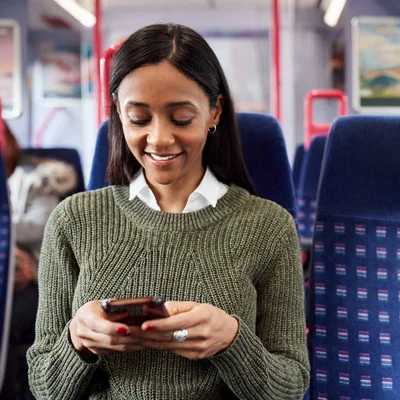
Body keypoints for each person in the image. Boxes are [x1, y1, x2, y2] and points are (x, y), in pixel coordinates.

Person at [27, 23, 309, 399]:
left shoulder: (269, 227)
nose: (159, 138)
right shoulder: (72, 220)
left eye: (181, 118)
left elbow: (290, 388)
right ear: (117, 112)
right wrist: (78, 341)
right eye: (139, 118)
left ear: (214, 112)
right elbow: (45, 389)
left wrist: (233, 342)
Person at [0, 121, 78, 399]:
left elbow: (40, 225)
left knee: (6, 324)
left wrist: (6, 230)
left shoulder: (39, 178)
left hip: (32, 276)